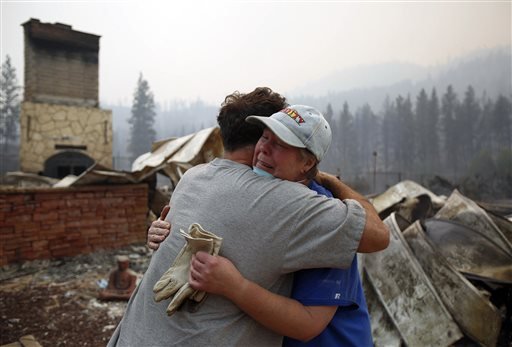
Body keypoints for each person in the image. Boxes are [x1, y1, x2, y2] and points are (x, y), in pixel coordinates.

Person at [108, 87, 388, 347]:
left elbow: (310, 322)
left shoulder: (318, 210)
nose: (265, 148)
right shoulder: (217, 184)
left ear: (308, 163)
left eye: (281, 143)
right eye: (264, 136)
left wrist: (235, 286)